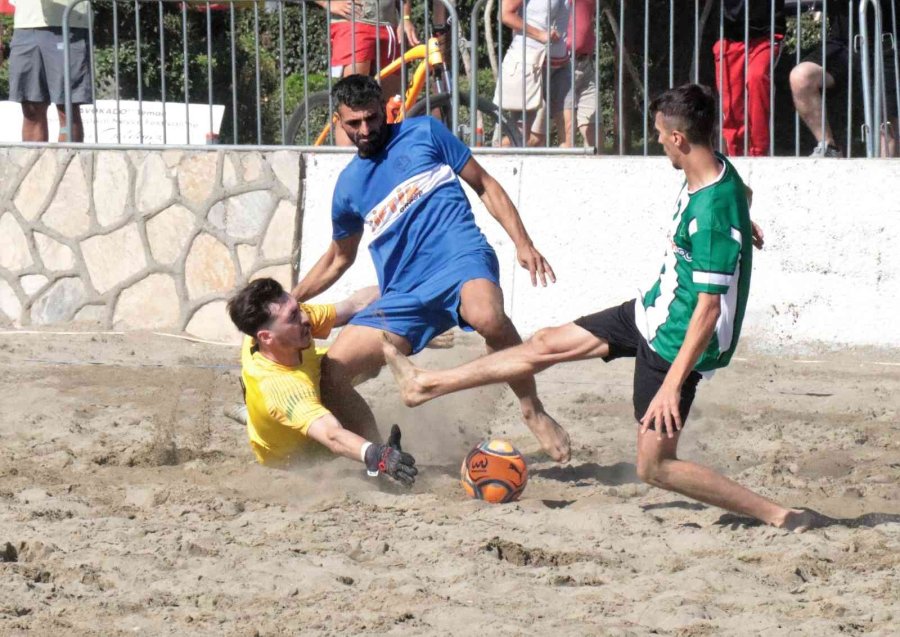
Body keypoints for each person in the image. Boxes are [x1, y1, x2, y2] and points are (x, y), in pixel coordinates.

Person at [382, 84, 822, 532]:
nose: (657, 141)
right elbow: (740, 194)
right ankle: (425, 384)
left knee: (655, 467)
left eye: (660, 135)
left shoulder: (709, 216)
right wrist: (742, 222)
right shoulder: (716, 172)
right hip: (656, 309)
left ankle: (780, 515)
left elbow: (708, 311)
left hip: (675, 343)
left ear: (679, 139)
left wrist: (672, 386)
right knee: (544, 343)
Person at [291, 74, 571, 463]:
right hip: (403, 293)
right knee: (332, 373)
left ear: (384, 109)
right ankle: (382, 457)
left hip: (461, 259)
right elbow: (339, 258)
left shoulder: (424, 132)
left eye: (372, 118)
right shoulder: (348, 187)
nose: (365, 130)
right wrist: (291, 298)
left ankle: (532, 409)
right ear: (338, 121)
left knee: (489, 317)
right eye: (354, 123)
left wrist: (523, 243)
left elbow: (485, 185)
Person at [226, 277, 417, 485]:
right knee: (332, 400)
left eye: (298, 308)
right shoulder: (284, 389)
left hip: (297, 389)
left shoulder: (286, 326)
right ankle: (255, 417)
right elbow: (332, 435)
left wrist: (409, 287)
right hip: (294, 454)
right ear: (266, 337)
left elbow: (355, 304)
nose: (305, 318)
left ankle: (253, 415)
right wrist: (377, 454)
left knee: (363, 357)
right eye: (293, 316)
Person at [789, 1, 898, 157]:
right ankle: (829, 148)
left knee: (886, 120)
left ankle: (885, 169)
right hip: (843, 42)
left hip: (886, 41)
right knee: (802, 77)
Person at [315, 0, 419, 145]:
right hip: (354, 24)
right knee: (352, 101)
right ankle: (347, 157)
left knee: (392, 105)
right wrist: (329, 4)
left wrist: (406, 18)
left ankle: (384, 156)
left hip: (389, 28)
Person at [7, 0, 92, 142]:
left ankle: (68, 157)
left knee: (67, 109)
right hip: (24, 25)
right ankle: (35, 157)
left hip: (68, 23)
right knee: (31, 109)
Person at [493, 0, 572, 146]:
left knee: (569, 131)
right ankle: (492, 156)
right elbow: (504, 14)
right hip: (530, 62)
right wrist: (540, 34)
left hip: (560, 64)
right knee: (521, 134)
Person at [712, 0, 785, 157]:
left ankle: (759, 152)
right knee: (732, 101)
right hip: (730, 37)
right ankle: (736, 154)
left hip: (765, 35)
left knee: (756, 78)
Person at [532, 0, 600, 148]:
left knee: (595, 138)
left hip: (586, 63)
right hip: (561, 64)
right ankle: (498, 152)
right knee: (535, 138)